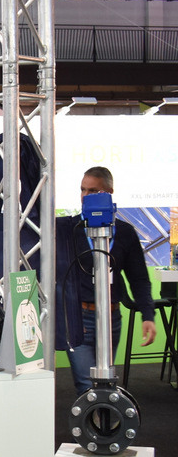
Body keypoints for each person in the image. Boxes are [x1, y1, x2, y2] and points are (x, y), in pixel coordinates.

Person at [57, 166, 156, 394]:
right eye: (82, 189)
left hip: (112, 318)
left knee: (106, 383)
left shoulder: (125, 232)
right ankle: (95, 417)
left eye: (92, 191)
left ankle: (105, 417)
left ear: (109, 193)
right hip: (78, 318)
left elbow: (139, 278)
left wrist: (148, 315)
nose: (85, 195)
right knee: (86, 386)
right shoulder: (69, 229)